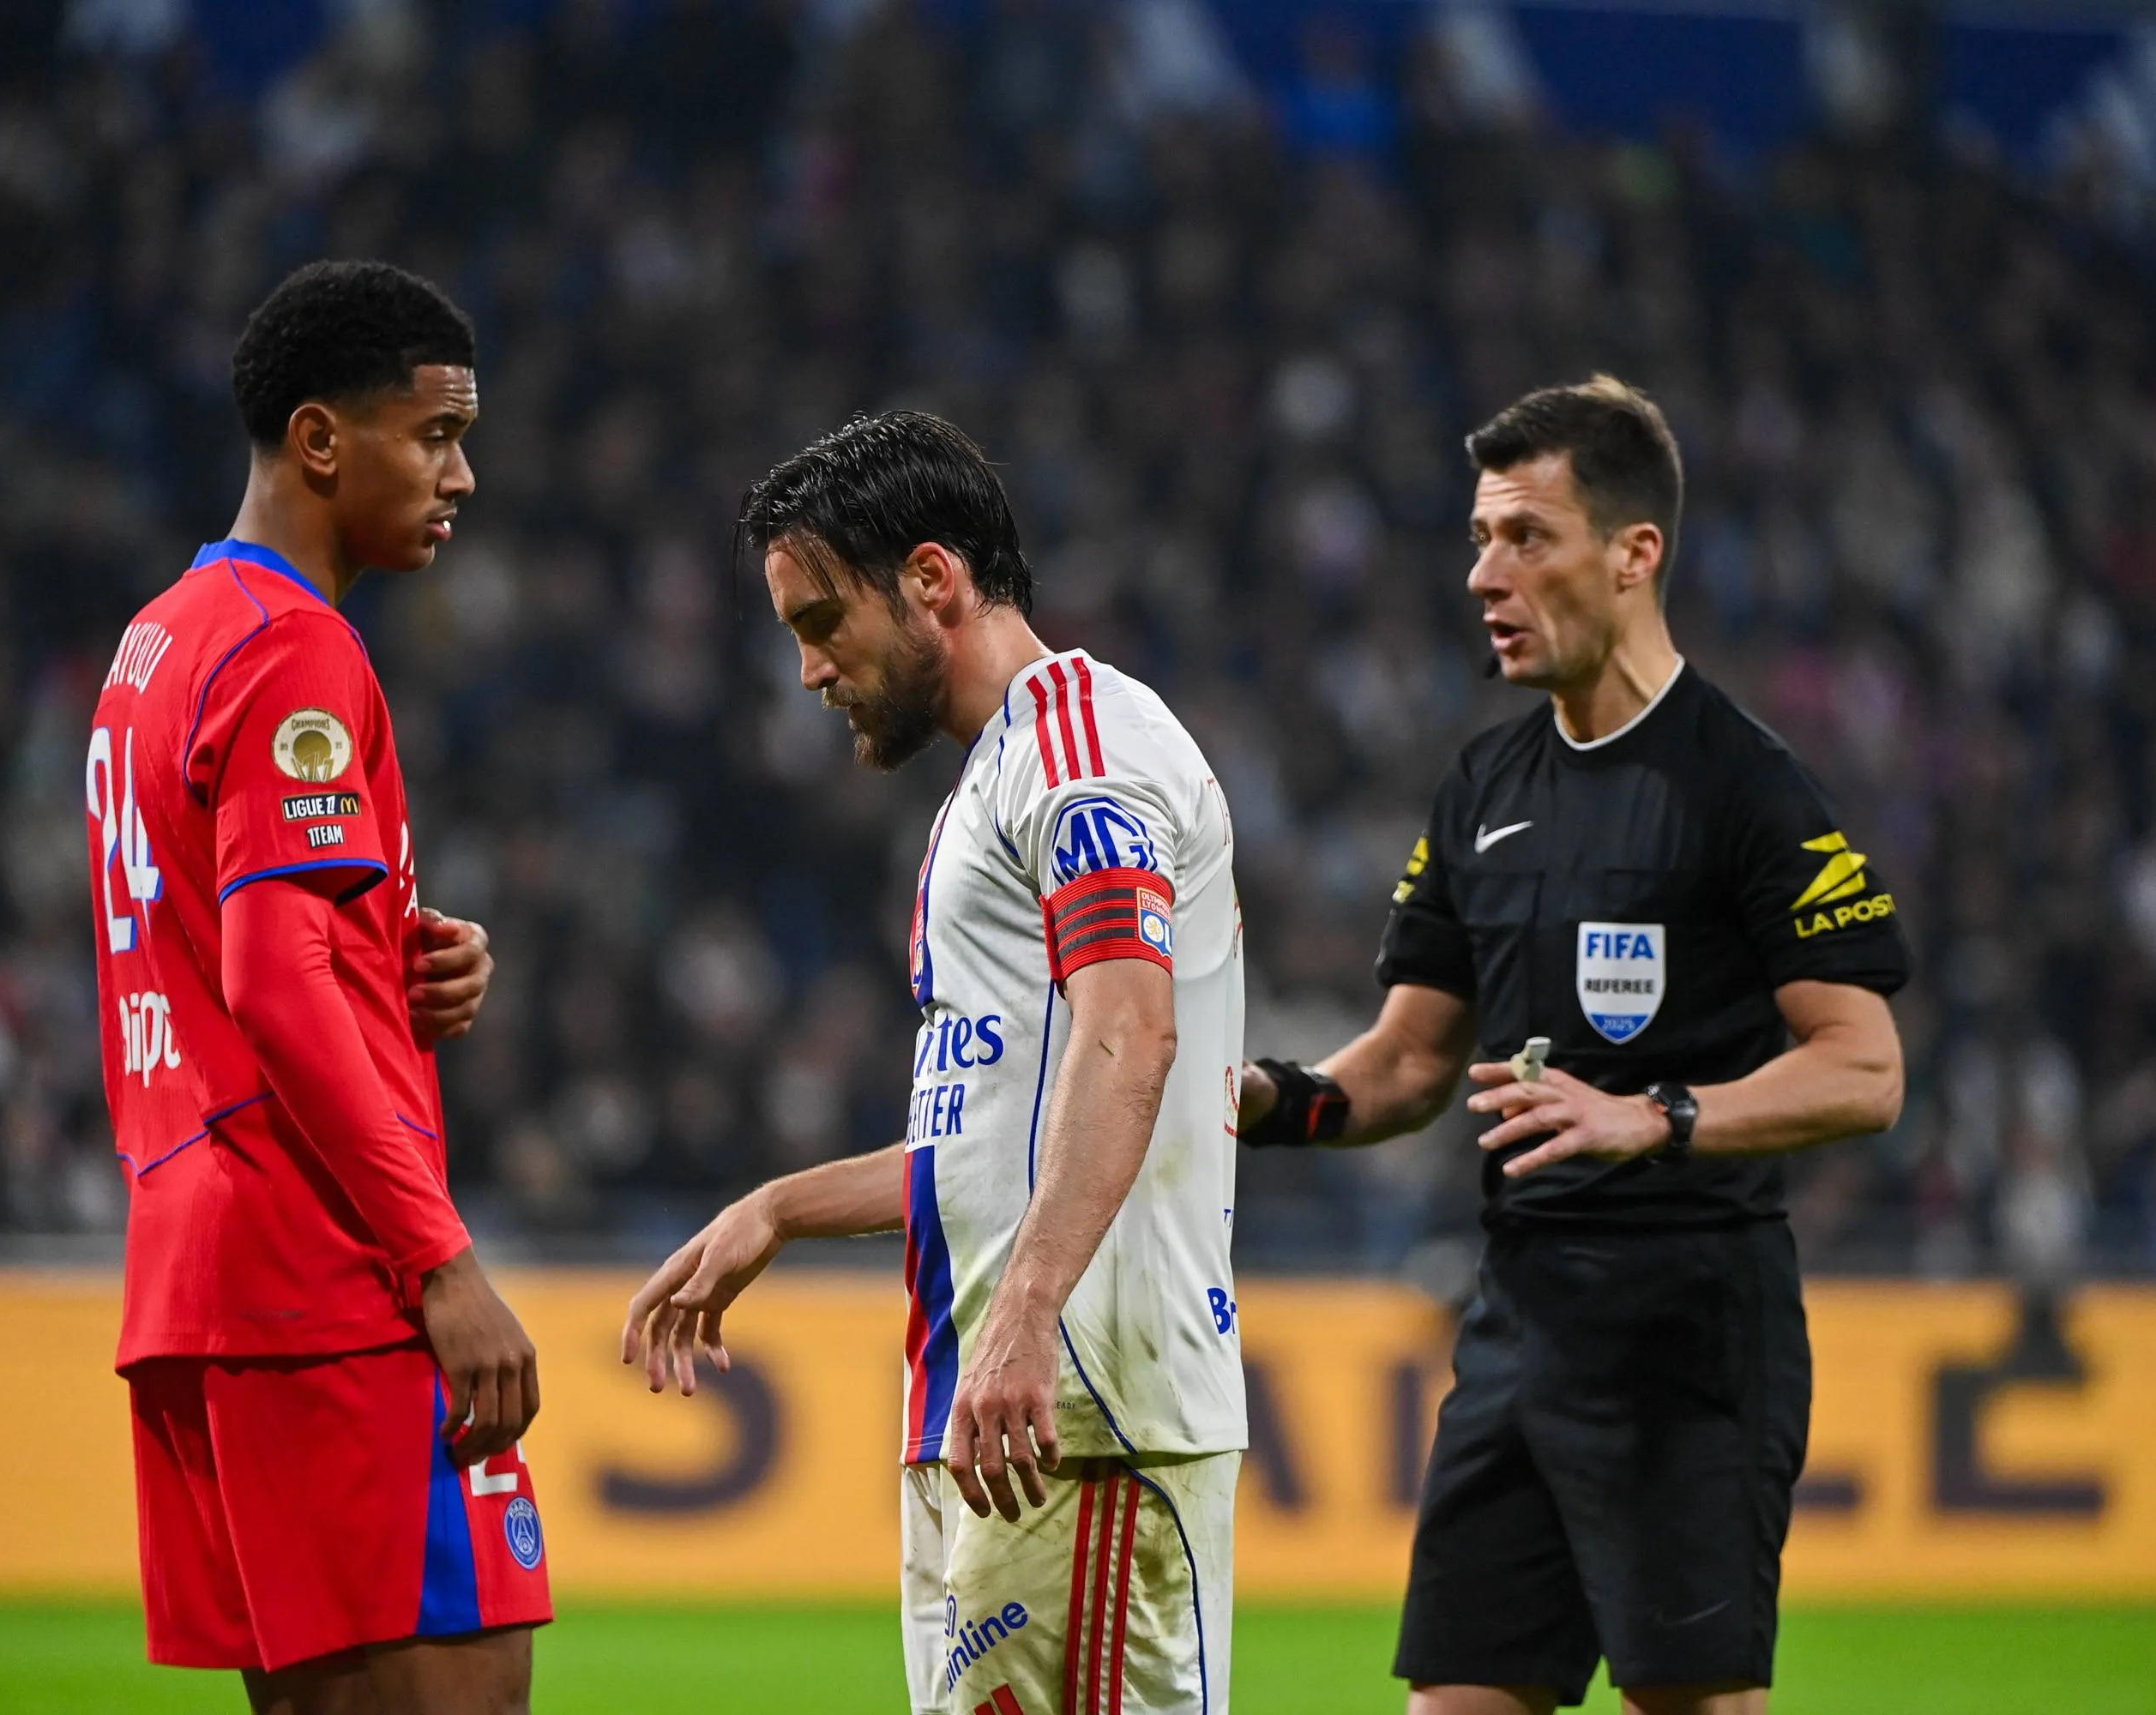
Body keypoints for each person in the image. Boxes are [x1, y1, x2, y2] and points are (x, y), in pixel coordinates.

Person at [1237, 377, 1908, 1715]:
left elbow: (1865, 1066)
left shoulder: (1746, 786)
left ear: (1633, 553)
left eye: (1526, 537)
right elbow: (1411, 1064)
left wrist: (1655, 1115)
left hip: (1692, 1330)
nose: (1485, 572)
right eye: (1480, 538)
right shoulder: (1484, 787)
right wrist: (1258, 1099)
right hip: (1520, 1326)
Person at [623, 412, 1249, 1715]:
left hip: (1080, 1421)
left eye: (818, 623)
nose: (808, 671)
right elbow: (993, 1148)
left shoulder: (1080, 744)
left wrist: (1023, 1318)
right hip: (1008, 1423)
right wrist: (780, 1208)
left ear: (931, 580)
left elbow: (1130, 1030)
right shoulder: (1001, 778)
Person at [85, 260, 542, 1714]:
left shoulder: (159, 640)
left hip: (196, 1270)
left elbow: (212, 940)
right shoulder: (295, 651)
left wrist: (385, 953)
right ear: (322, 440)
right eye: (436, 435)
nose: (462, 474)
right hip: (323, 1276)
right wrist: (438, 1262)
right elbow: (275, 986)